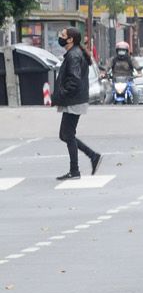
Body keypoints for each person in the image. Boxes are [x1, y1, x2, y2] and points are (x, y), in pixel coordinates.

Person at [52, 28, 102, 181]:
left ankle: (78, 168)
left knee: (67, 134)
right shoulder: (74, 53)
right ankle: (91, 157)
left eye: (63, 35)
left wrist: (62, 93)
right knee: (65, 134)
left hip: (74, 100)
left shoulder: (74, 55)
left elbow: (74, 80)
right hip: (74, 99)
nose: (60, 37)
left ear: (70, 40)